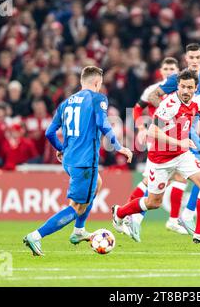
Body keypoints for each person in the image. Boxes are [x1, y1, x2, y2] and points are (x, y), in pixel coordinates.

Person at [112, 69, 200, 245]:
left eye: (190, 87)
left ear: (196, 88)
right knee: (153, 202)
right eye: (183, 86)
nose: (186, 91)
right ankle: (120, 213)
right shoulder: (169, 105)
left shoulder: (195, 100)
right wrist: (180, 143)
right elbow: (153, 131)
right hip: (160, 158)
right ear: (178, 85)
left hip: (182, 155)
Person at [23, 66, 132, 256]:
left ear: (82, 81)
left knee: (97, 183)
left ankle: (79, 230)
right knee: (76, 207)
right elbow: (102, 123)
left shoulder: (66, 103)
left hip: (70, 160)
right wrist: (118, 146)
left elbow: (49, 132)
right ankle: (36, 235)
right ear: (97, 82)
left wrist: (61, 148)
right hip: (85, 161)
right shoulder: (98, 98)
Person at [146, 43, 200, 235]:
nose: (194, 61)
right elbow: (153, 95)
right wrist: (171, 115)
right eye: (190, 57)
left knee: (186, 176)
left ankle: (175, 217)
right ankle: (184, 216)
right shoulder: (178, 79)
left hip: (192, 132)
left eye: (197, 57)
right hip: (182, 133)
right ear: (186, 59)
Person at [128, 57, 189, 237]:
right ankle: (130, 215)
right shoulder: (153, 90)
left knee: (178, 177)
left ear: (177, 71)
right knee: (154, 180)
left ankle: (172, 219)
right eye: (166, 68)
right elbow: (137, 108)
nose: (169, 71)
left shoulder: (181, 89)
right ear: (161, 71)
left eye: (172, 68)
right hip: (159, 137)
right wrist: (140, 127)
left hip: (176, 138)